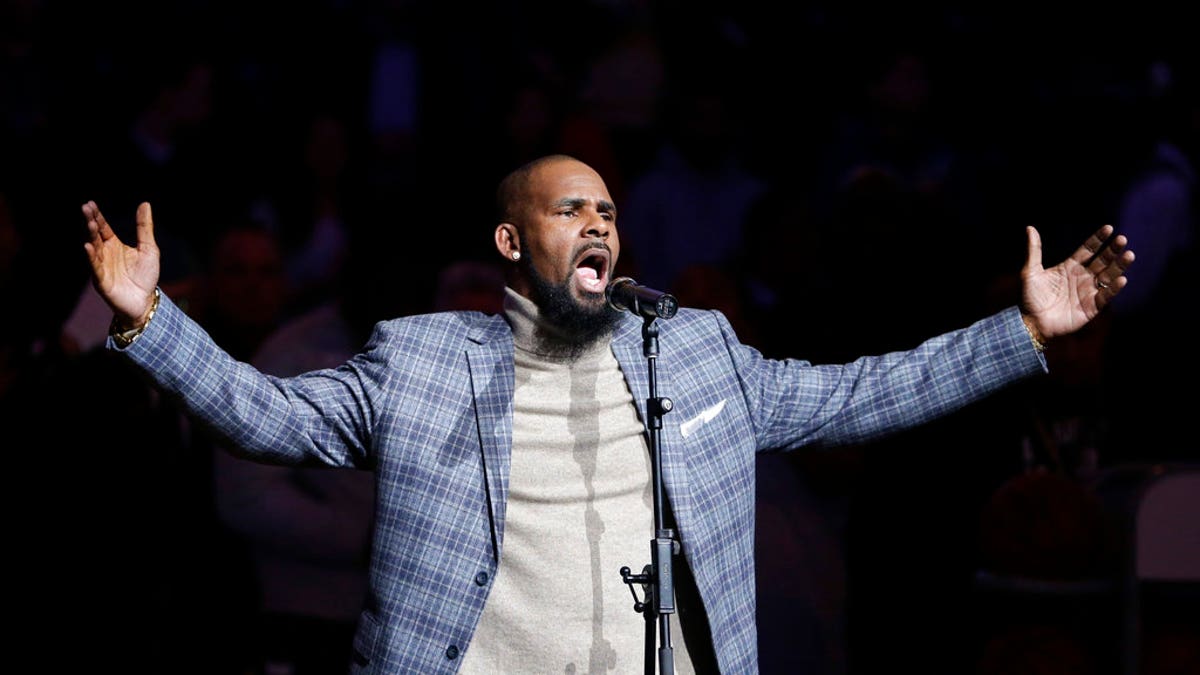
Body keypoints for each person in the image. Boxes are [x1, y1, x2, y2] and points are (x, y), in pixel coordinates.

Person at [79, 154, 1133, 674]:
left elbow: (865, 393)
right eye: (569, 207)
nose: (599, 222)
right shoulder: (424, 361)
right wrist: (152, 320)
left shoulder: (699, 351)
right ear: (509, 244)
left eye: (610, 212)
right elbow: (269, 421)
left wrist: (1024, 332)